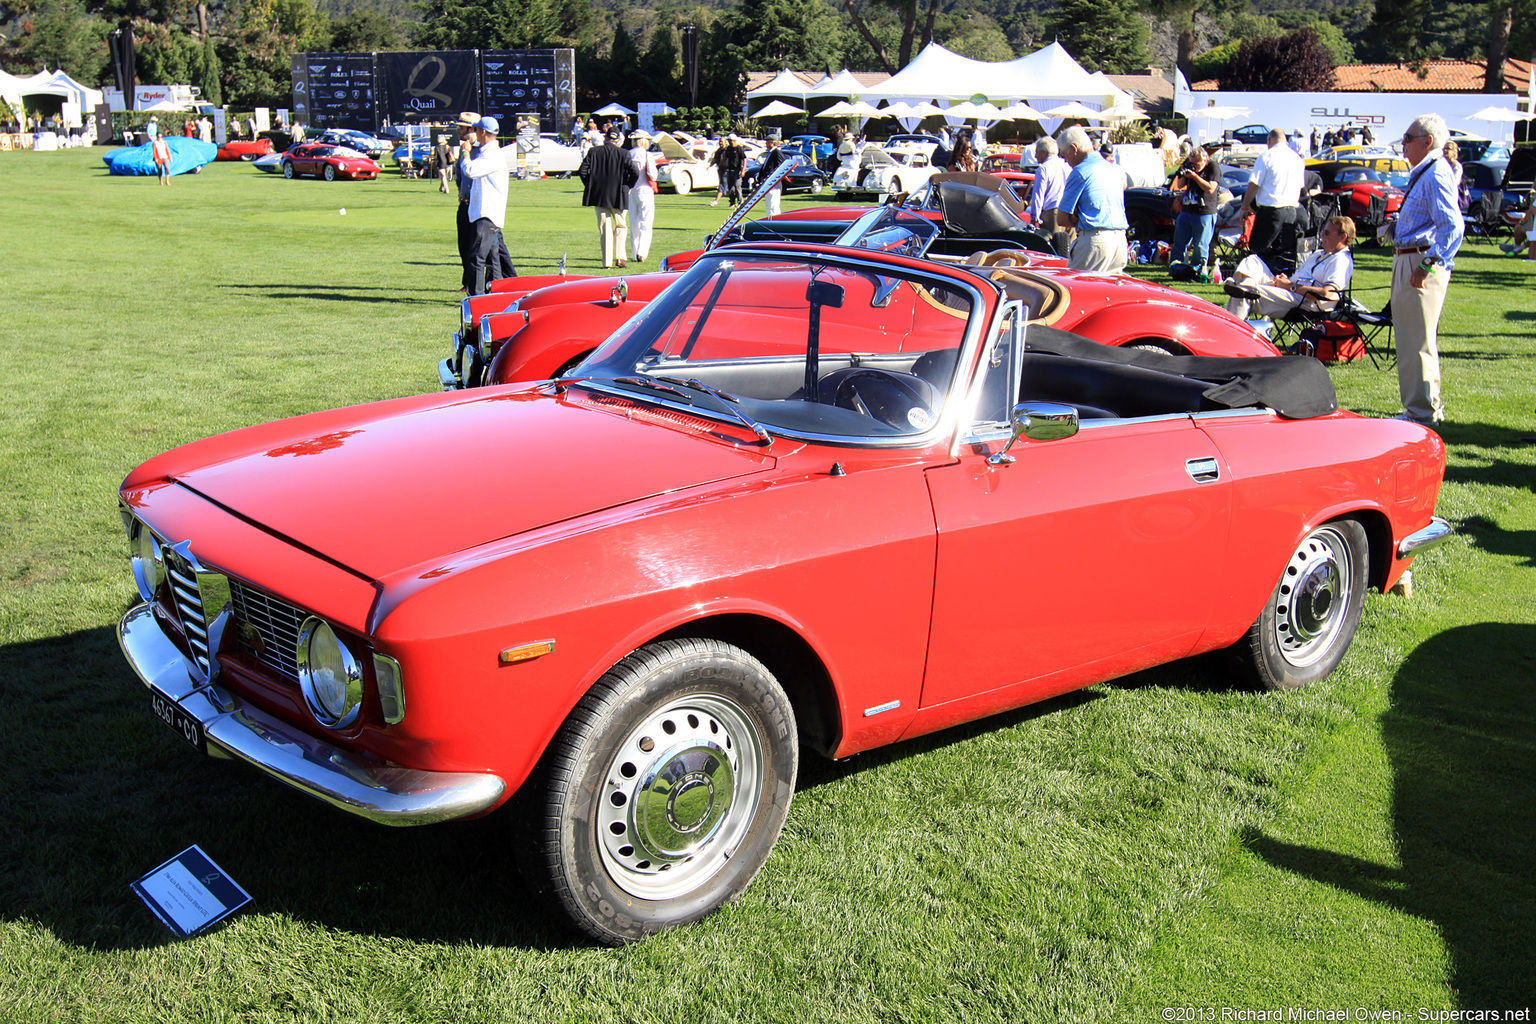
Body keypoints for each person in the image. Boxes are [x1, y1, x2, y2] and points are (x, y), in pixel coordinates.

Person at [1391, 113, 1464, 426]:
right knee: (1413, 340)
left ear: (1427, 141)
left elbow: (1452, 227)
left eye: (1407, 139)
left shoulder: (1435, 173)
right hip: (1411, 257)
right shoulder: (1428, 171)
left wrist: (1427, 265)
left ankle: (1422, 413)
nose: (1403, 145)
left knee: (1416, 341)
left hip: (1418, 262)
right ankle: (1422, 407)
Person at [1223, 216, 1356, 320]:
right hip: (1291, 290)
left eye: (1327, 233)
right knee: (1252, 260)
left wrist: (1290, 286)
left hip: (1307, 302)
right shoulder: (1319, 253)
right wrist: (1286, 281)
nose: (1322, 236)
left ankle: (1230, 334)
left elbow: (1328, 294)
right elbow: (1301, 277)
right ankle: (1244, 286)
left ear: (1342, 237)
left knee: (1244, 294)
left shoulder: (1341, 260)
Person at [1057, 125, 1129, 273]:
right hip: (1120, 241)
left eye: (1064, 155)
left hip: (1095, 241)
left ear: (1074, 148)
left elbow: (1062, 219)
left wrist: (1075, 218)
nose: (1065, 161)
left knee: (1077, 291)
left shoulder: (1080, 171)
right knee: (1111, 294)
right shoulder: (1114, 169)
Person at [462, 115, 514, 294]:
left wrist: (465, 152)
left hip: (486, 213)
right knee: (493, 260)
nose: (474, 133)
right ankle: (495, 295)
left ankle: (476, 298)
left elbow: (470, 170)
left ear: (483, 132)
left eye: (476, 130)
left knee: (477, 258)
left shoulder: (491, 155)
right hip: (488, 213)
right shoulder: (490, 152)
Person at [1242, 129, 1306, 268]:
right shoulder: (1297, 159)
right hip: (1292, 210)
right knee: (1282, 251)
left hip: (1271, 210)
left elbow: (1254, 184)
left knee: (1258, 249)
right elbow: (1301, 186)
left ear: (1269, 141)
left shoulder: (1266, 156)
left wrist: (1245, 206)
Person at [578, 128, 638, 268]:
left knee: (604, 227)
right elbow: (634, 171)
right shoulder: (624, 153)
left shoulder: (594, 151)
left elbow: (582, 170)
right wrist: (628, 185)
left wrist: (590, 184)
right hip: (619, 194)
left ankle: (607, 262)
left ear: (605, 138)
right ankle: (619, 257)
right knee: (621, 226)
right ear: (617, 139)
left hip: (599, 194)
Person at [1168, 145, 1220, 272]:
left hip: (1204, 212)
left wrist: (1195, 177)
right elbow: (1180, 185)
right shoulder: (1188, 166)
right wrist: (1185, 174)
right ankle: (1176, 268)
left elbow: (1210, 188)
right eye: (1192, 163)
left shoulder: (1213, 168)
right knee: (1179, 242)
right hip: (1187, 211)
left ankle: (1197, 270)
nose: (1194, 166)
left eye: (1197, 164)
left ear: (1205, 160)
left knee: (1200, 245)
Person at [1026, 136, 1070, 252]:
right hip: (1069, 210)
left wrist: (1035, 216)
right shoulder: (1066, 165)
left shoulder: (1044, 169)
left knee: (1055, 250)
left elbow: (1038, 195)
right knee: (1069, 248)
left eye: (1037, 153)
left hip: (1052, 214)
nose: (1035, 156)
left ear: (1044, 152)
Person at [453, 111, 481, 293]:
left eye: (461, 127)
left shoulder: (481, 150)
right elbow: (459, 175)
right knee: (463, 246)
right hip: (464, 203)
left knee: (477, 249)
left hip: (478, 204)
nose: (458, 130)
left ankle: (478, 285)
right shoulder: (463, 148)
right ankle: (467, 283)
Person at [627, 130, 659, 262]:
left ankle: (634, 253)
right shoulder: (647, 155)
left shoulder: (628, 154)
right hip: (645, 190)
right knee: (645, 223)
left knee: (633, 223)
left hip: (631, 191)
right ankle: (642, 252)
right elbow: (653, 175)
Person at [758, 136, 789, 217]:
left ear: (772, 143)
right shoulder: (771, 153)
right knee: (769, 204)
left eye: (767, 141)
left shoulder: (777, 152)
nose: (766, 143)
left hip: (774, 183)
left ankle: (775, 222)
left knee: (773, 205)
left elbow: (781, 167)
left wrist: (772, 176)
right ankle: (770, 220)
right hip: (768, 183)